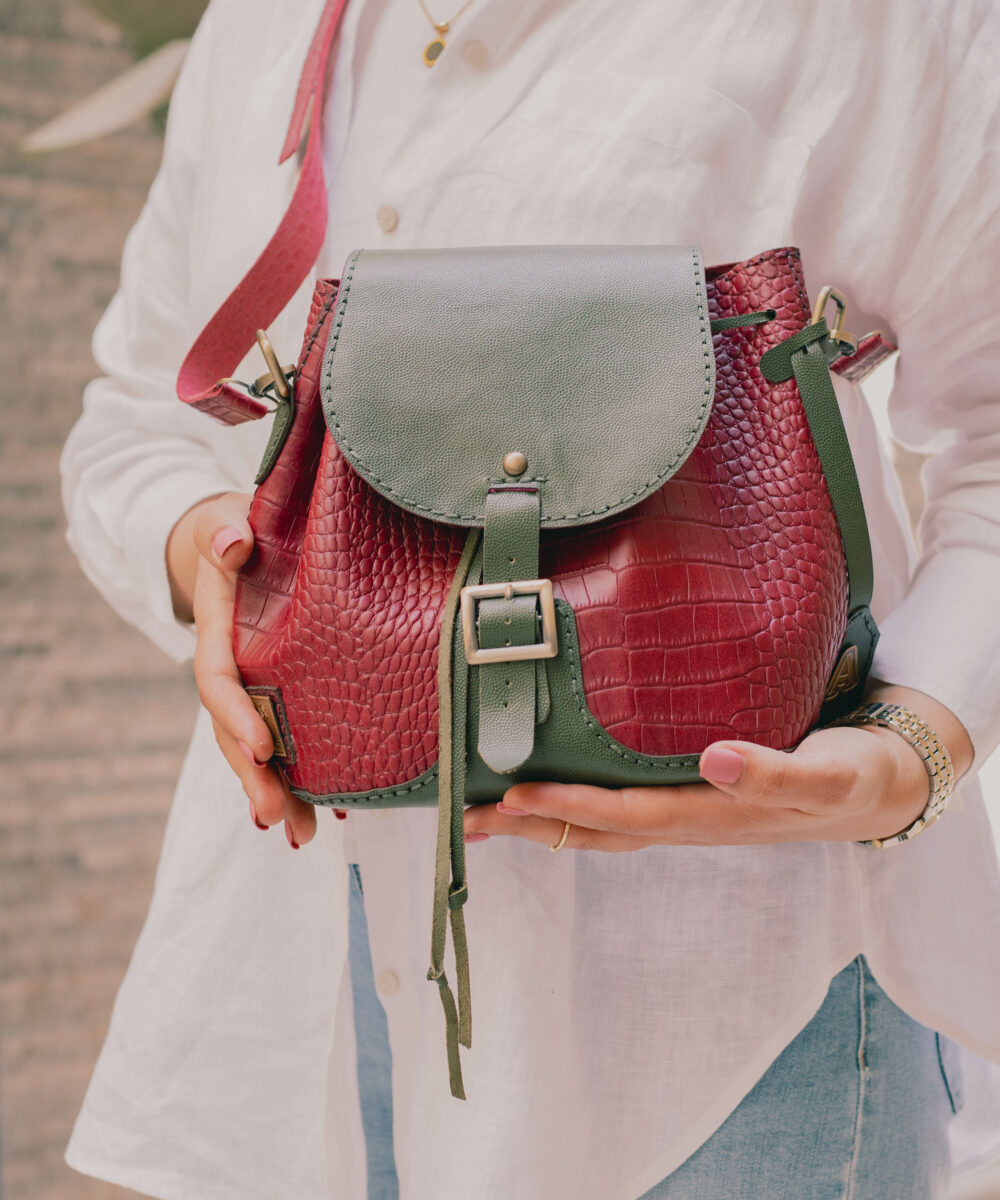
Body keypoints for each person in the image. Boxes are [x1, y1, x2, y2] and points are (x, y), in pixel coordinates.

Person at [60, 1, 1000, 1197]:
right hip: (305, 984)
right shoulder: (269, 22)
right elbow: (138, 412)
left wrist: (919, 743)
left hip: (734, 1015)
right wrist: (205, 553)